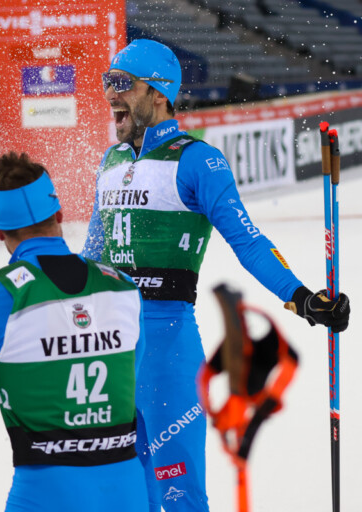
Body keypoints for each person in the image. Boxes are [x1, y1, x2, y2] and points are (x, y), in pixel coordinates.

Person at [83, 39, 350, 512]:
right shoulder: (111, 161)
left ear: (159, 93)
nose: (110, 93)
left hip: (166, 349)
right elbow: (91, 259)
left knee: (181, 497)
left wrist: (303, 298)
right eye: (108, 81)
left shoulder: (197, 161)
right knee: (122, 499)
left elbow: (248, 242)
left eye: (123, 83)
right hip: (109, 351)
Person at [0, 152, 149, 511]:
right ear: (59, 214)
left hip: (44, 495)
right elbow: (128, 377)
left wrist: (1, 366)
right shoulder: (124, 286)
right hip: (128, 493)